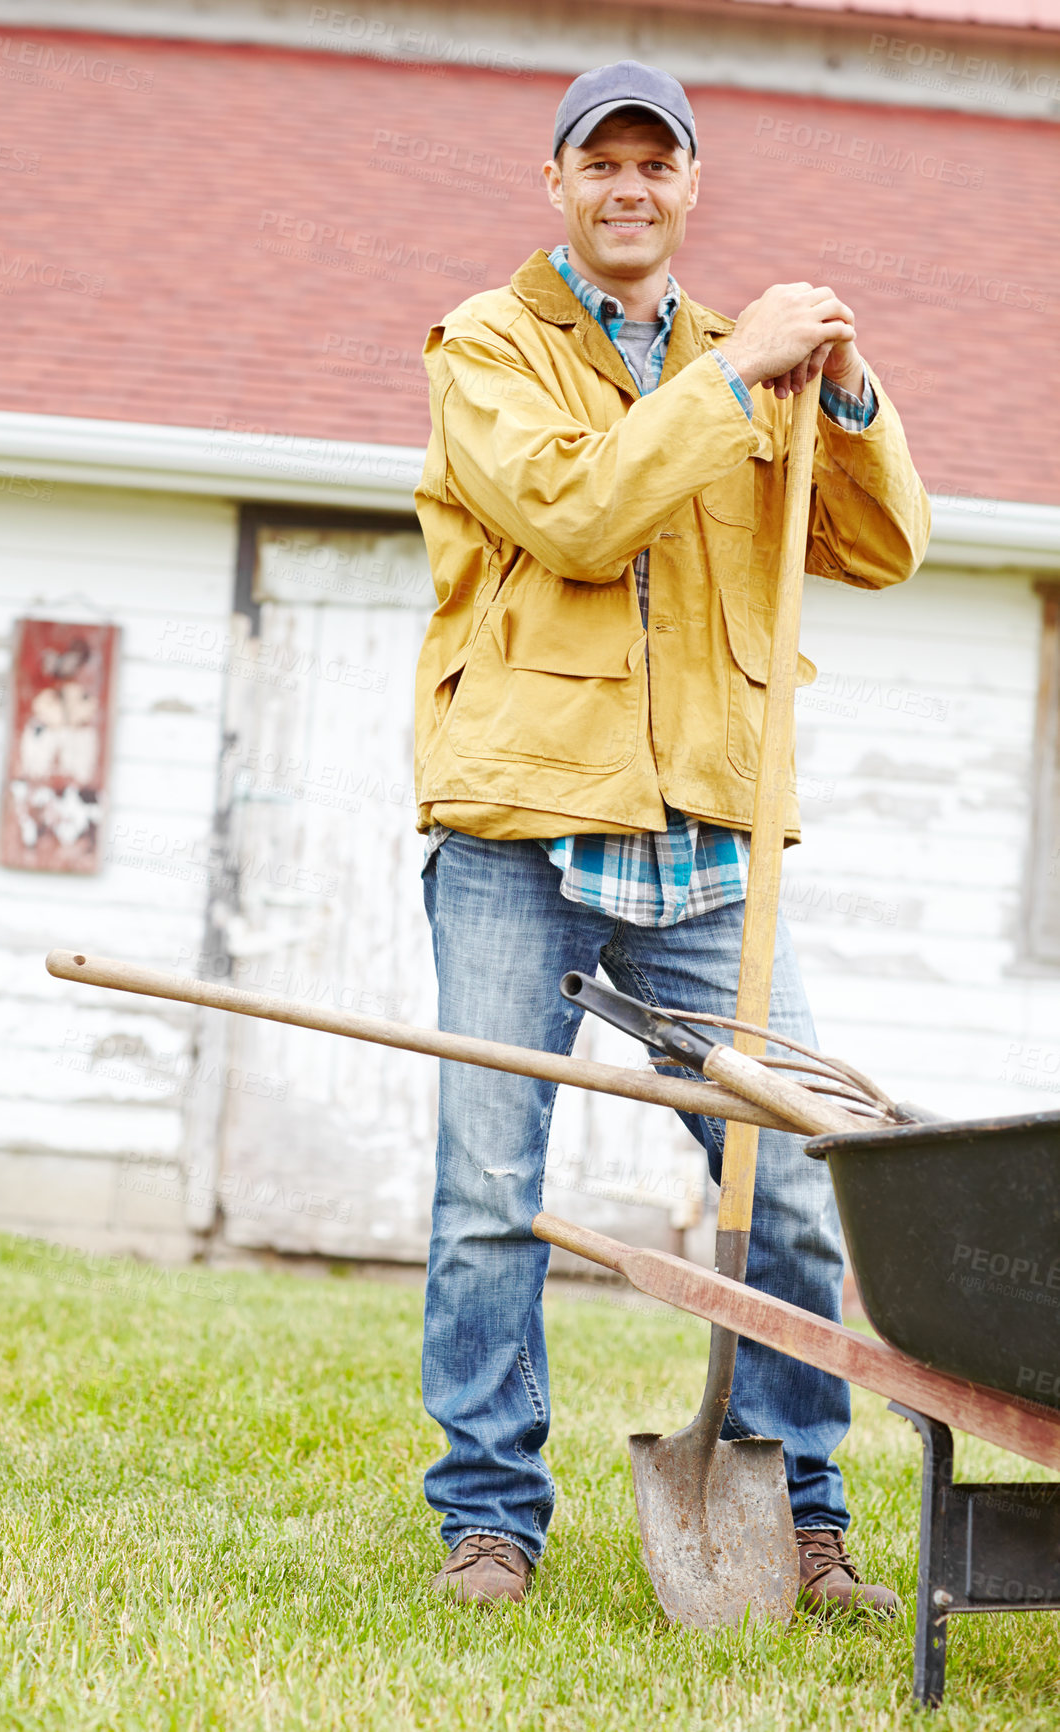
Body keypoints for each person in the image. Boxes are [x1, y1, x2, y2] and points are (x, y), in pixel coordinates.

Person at [412, 60, 930, 1614]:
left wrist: (841, 397)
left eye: (657, 164)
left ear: (691, 185)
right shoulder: (486, 345)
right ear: (555, 185)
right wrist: (733, 381)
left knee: (780, 1181)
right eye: (601, 164)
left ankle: (804, 1508)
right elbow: (573, 516)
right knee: (488, 1189)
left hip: (707, 839)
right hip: (520, 824)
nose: (629, 188)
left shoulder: (752, 360)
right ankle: (490, 1521)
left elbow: (880, 546)